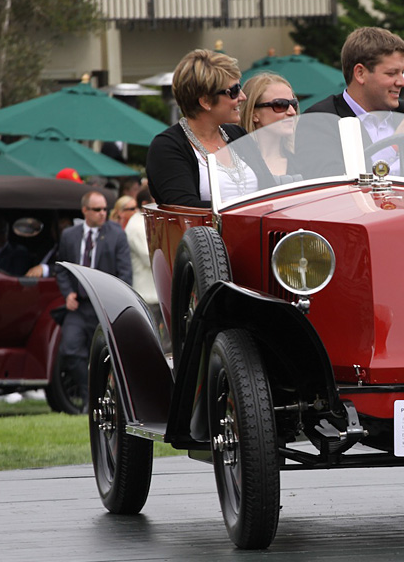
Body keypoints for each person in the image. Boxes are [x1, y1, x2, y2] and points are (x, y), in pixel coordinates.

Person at [301, 27, 404, 178]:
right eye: (391, 73)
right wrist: (394, 145)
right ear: (360, 73)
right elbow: (331, 186)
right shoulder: (320, 120)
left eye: (402, 73)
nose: (402, 82)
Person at [146, 49, 266, 208]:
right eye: (234, 91)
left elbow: (270, 190)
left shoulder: (237, 134)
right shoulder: (167, 147)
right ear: (206, 102)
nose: (243, 97)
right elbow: (184, 209)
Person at [54, 190, 132, 412]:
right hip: (79, 305)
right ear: (85, 211)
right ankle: (90, 395)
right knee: (70, 348)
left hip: (104, 306)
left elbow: (125, 274)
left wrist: (115, 303)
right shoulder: (70, 235)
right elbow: (61, 269)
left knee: (107, 355)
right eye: (97, 209)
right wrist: (67, 292)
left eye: (105, 209)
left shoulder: (116, 234)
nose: (103, 213)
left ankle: (106, 400)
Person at [124, 187, 169, 353]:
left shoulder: (145, 221)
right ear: (144, 203)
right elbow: (148, 256)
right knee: (151, 340)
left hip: (155, 292)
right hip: (147, 293)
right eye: (154, 200)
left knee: (165, 340)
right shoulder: (136, 226)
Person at [239, 73, 302, 184]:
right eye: (280, 105)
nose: (292, 112)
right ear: (254, 114)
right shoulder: (236, 163)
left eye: (294, 104)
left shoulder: (302, 161)